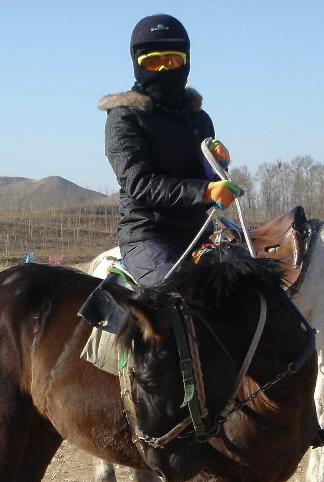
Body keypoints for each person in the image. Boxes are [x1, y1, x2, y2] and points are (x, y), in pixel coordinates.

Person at [97, 13, 238, 286]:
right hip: (148, 235)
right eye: (153, 61)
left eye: (171, 60)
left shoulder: (198, 118)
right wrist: (206, 191)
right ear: (137, 64)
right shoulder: (124, 116)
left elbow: (209, 182)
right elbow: (139, 183)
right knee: (175, 295)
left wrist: (218, 167)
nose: (163, 70)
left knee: (253, 287)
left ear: (185, 62)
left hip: (198, 233)